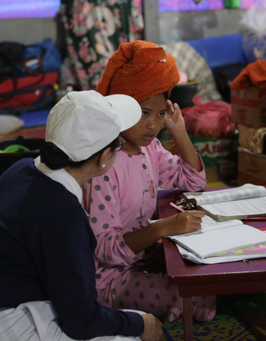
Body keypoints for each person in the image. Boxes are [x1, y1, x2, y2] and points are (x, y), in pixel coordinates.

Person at [0, 90, 164, 341]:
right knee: (141, 331)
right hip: (3, 327)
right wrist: (139, 325)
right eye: (117, 144)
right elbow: (82, 321)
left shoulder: (21, 169)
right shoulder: (63, 214)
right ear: (105, 158)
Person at [82, 40, 215, 322]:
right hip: (107, 278)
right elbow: (105, 249)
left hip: (141, 257)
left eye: (160, 114)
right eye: (143, 113)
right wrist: (163, 227)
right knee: (194, 295)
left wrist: (179, 133)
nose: (153, 125)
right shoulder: (103, 166)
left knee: (209, 270)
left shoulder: (149, 149)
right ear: (118, 109)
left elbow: (194, 181)